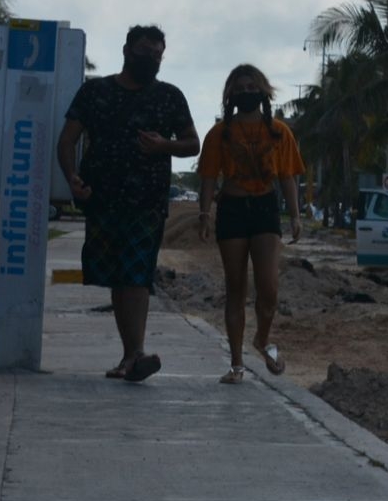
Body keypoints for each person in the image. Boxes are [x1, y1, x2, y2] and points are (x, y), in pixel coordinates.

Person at [57, 25, 200, 382]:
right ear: (126, 50)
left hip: (147, 202)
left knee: (136, 274)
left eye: (156, 54)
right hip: (101, 199)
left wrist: (164, 146)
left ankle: (135, 354)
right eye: (144, 51)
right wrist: (71, 178)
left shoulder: (170, 96)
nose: (150, 59)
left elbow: (192, 144)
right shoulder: (95, 91)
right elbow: (67, 140)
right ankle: (128, 355)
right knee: (117, 276)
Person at [196, 64, 304, 384]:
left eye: (251, 87)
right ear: (231, 94)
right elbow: (208, 178)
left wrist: (295, 215)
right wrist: (204, 215)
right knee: (235, 287)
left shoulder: (279, 132)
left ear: (263, 91)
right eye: (240, 88)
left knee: (268, 287)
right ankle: (237, 364)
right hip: (231, 209)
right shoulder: (219, 134)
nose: (246, 93)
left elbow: (288, 176)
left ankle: (262, 338)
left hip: (265, 209)